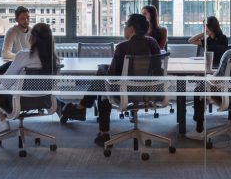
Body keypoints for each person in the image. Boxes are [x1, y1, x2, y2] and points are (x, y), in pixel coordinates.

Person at [60, 13, 161, 147]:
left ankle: (101, 130)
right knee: (103, 75)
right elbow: (158, 69)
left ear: (131, 29)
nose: (124, 29)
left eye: (125, 25)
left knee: (103, 81)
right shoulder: (153, 43)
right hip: (149, 92)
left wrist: (105, 71)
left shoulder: (123, 47)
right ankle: (81, 107)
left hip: (126, 92)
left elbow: (111, 75)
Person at [0, 23, 58, 133]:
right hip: (44, 101)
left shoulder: (23, 56)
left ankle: (3, 120)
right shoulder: (55, 60)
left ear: (33, 38)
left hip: (20, 102)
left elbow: (6, 82)